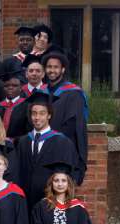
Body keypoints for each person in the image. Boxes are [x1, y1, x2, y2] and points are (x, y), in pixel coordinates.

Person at [14, 92, 80, 211]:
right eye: (34, 113)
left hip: (51, 203)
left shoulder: (62, 142)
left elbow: (70, 175)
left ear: (49, 115)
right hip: (25, 203)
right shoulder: (23, 142)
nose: (37, 117)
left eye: (42, 113)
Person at [43, 51, 88, 185]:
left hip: (64, 152)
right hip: (42, 151)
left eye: (56, 67)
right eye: (49, 67)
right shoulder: (41, 92)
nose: (52, 70)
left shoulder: (73, 93)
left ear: (62, 69)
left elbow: (73, 126)